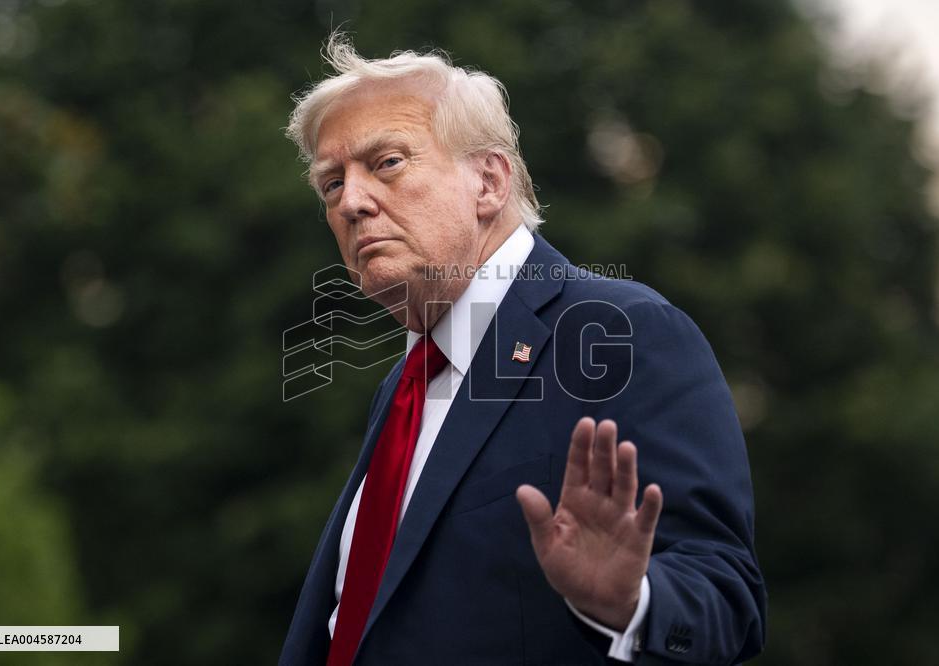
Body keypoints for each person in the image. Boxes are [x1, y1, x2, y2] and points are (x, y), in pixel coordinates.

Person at [279, 33, 765, 665]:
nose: (352, 201)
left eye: (388, 163)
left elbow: (726, 598)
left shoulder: (617, 331)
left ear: (488, 180)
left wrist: (630, 603)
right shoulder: (402, 385)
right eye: (331, 184)